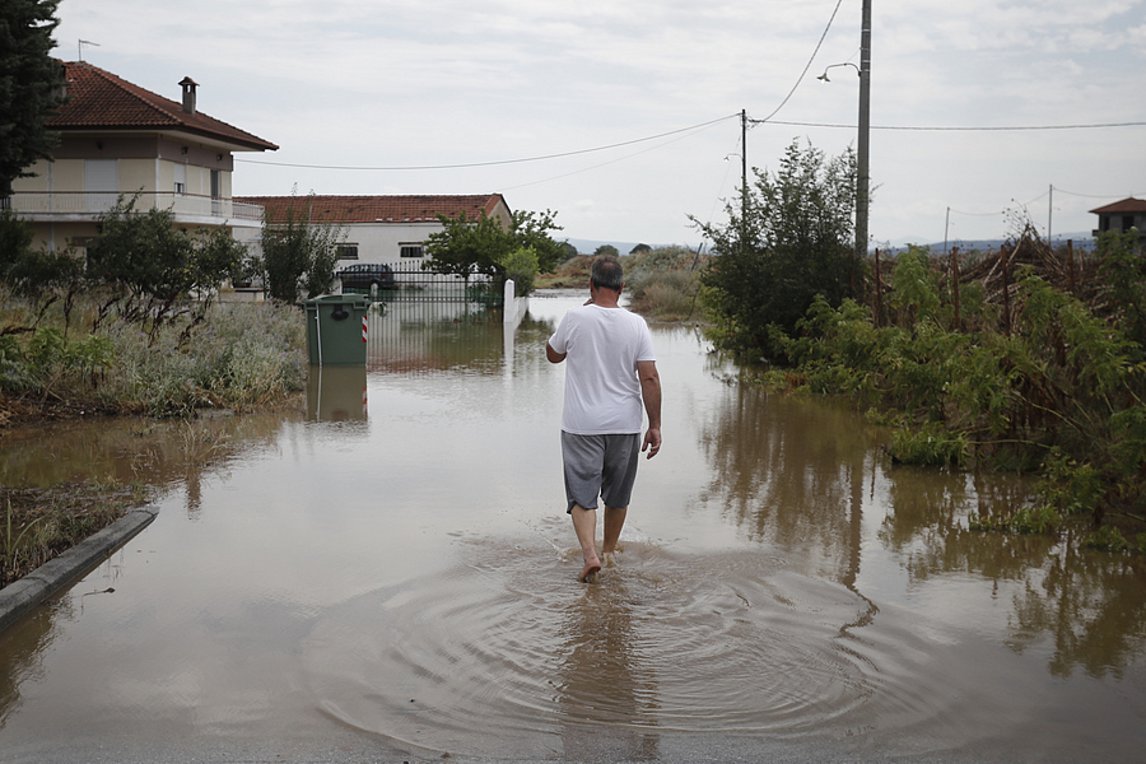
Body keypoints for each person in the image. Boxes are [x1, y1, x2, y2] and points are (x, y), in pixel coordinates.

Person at [546, 256, 662, 582]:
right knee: (618, 495)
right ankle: (609, 552)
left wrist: (581, 314)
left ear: (591, 285)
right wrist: (654, 425)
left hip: (581, 424)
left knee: (583, 495)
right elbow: (649, 377)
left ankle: (589, 555)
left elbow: (553, 355)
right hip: (625, 425)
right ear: (622, 288)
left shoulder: (575, 317)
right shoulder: (637, 324)